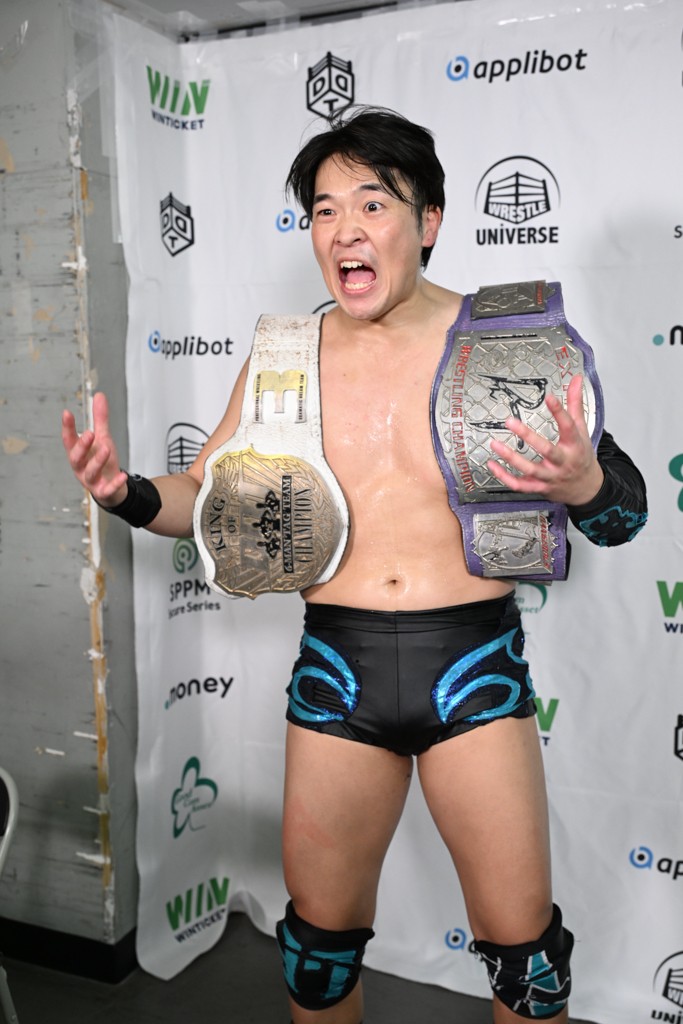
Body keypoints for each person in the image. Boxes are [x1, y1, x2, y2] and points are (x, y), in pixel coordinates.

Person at [62, 107, 647, 1023]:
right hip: (337, 673)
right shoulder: (284, 357)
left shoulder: (507, 343)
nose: (344, 229)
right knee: (316, 954)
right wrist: (124, 493)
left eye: (372, 204)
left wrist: (582, 484)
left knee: (526, 965)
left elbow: (624, 516)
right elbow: (205, 497)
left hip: (473, 671)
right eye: (324, 210)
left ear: (429, 220)